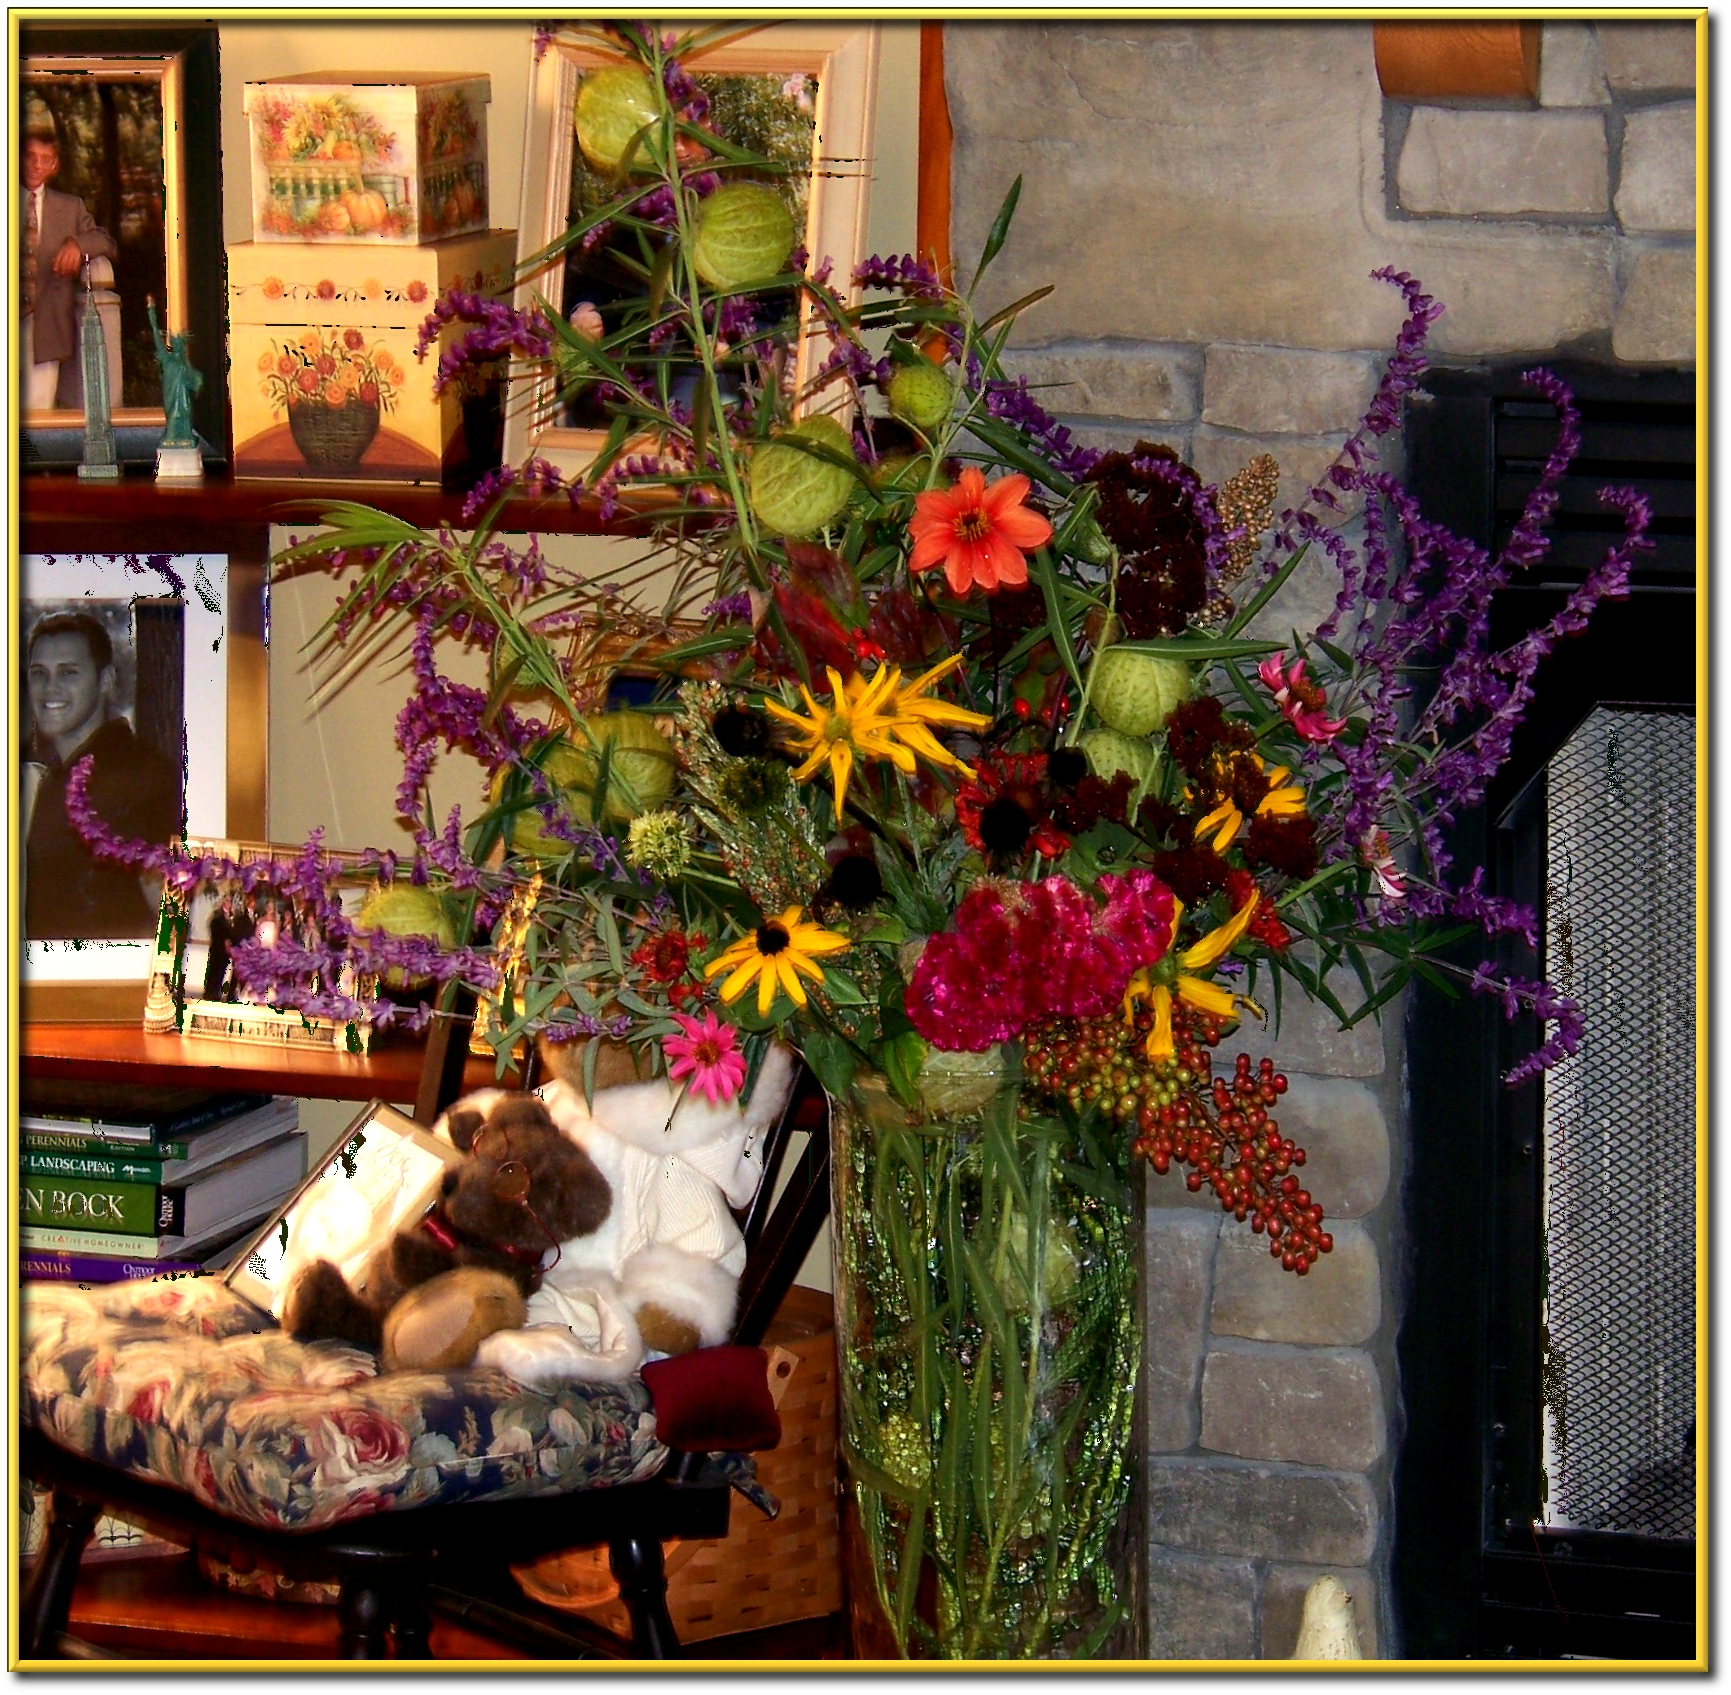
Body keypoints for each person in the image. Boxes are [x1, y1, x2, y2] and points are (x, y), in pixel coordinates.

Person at [24, 612, 181, 941]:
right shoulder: (39, 771)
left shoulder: (141, 776)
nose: (50, 687)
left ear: (106, 680)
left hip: (108, 984)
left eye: (69, 673)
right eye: (39, 673)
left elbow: (174, 917)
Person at [21, 123, 117, 411]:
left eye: (45, 159)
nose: (37, 165)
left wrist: (77, 245)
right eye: (30, 156)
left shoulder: (70, 208)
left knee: (38, 417)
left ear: (55, 165)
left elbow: (106, 241)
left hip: (44, 329)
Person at [203, 886, 255, 1002]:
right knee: (214, 972)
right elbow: (215, 930)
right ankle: (210, 994)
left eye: (230, 902)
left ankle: (218, 993)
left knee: (223, 972)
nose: (229, 904)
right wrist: (225, 940)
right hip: (217, 949)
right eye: (227, 901)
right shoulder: (218, 916)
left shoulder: (232, 917)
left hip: (226, 952)